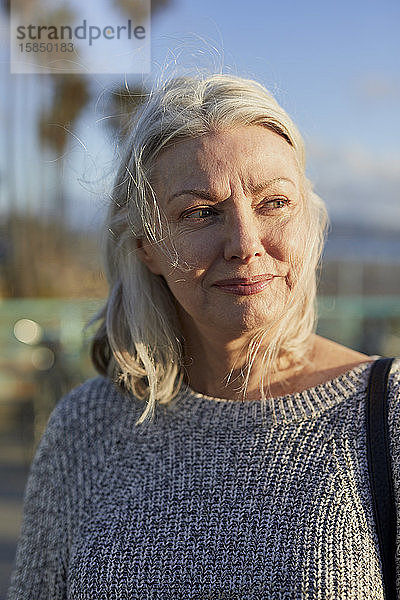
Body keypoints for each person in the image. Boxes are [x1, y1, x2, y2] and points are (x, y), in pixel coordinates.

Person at [8, 73, 400, 599]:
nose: (244, 243)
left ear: (307, 218)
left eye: (273, 203)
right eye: (200, 213)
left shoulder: (387, 415)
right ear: (146, 245)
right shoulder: (85, 428)